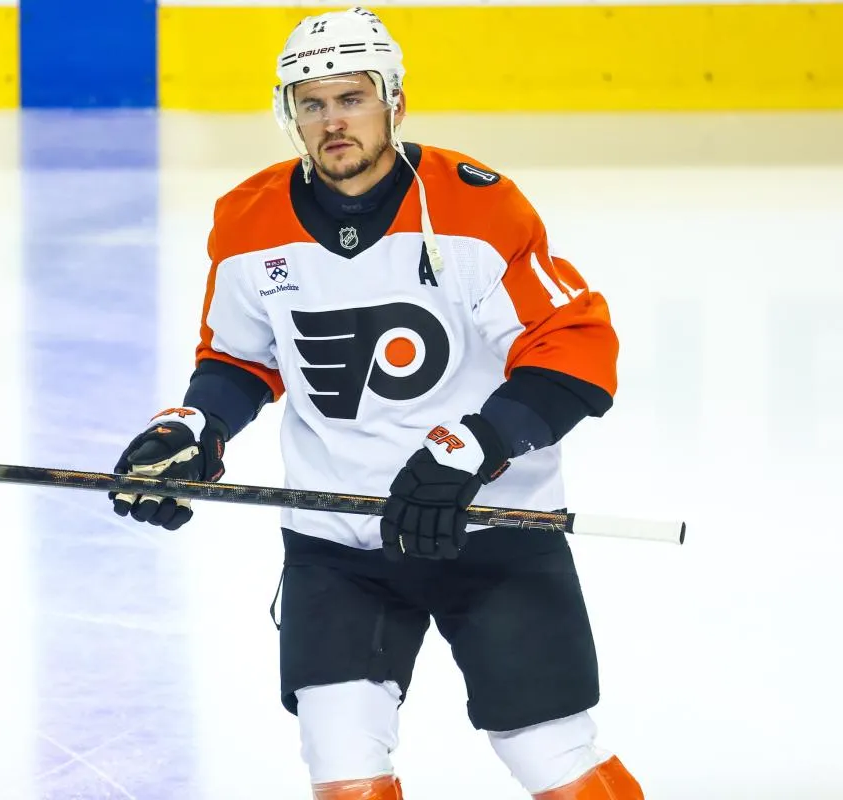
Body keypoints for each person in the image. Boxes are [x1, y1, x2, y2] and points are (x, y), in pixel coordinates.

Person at [109, 6, 643, 798]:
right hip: (338, 539)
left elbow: (575, 346)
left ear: (394, 101)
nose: (333, 122)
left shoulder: (478, 207)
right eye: (312, 103)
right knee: (343, 765)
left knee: (551, 753)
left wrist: (480, 444)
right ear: (290, 113)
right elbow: (238, 358)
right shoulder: (249, 220)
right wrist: (194, 426)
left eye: (352, 98)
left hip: (492, 528)